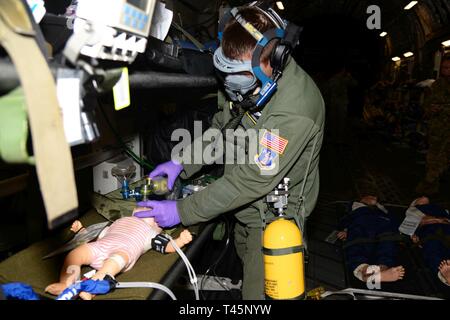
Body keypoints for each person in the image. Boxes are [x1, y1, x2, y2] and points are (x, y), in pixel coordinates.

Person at [135, 4, 325, 299]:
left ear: (275, 59)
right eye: (227, 71)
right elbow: (224, 129)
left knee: (258, 295)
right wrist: (179, 163)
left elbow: (254, 179)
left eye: (239, 75)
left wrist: (182, 211)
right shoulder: (247, 85)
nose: (231, 84)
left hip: (274, 221)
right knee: (243, 265)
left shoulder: (295, 110)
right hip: (245, 208)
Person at [45, 208, 193, 300]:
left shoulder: (151, 233)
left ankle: (92, 288)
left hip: (121, 254)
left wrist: (180, 241)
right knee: (75, 254)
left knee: (115, 260)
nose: (146, 207)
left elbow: (167, 246)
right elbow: (97, 234)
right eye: (142, 205)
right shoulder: (120, 221)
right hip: (101, 246)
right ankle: (66, 282)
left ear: (158, 224)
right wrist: (82, 231)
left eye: (152, 209)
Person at [337, 196, 405, 283]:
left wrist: (408, 233)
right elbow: (346, 218)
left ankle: (382, 269)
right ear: (362, 198)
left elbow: (395, 222)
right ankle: (363, 271)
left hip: (383, 224)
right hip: (362, 223)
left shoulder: (383, 210)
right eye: (371, 196)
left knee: (388, 243)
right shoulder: (355, 205)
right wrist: (345, 229)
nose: (375, 198)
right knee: (357, 242)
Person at [416, 54, 450, 195]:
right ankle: (431, 186)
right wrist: (430, 109)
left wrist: (442, 108)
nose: (446, 70)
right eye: (444, 67)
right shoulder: (436, 85)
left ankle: (429, 184)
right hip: (437, 130)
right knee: (433, 158)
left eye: (449, 68)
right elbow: (426, 105)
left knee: (442, 159)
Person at [407, 197, 450, 286]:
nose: (424, 199)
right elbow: (410, 227)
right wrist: (438, 220)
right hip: (430, 234)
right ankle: (444, 275)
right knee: (433, 250)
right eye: (420, 200)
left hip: (446, 231)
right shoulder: (412, 211)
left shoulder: (443, 211)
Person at [326, 66, 357, 144]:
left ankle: (339, 139)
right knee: (334, 121)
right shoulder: (334, 79)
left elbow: (355, 84)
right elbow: (328, 90)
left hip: (341, 103)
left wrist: (350, 77)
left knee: (341, 121)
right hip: (335, 103)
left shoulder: (345, 79)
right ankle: (334, 138)